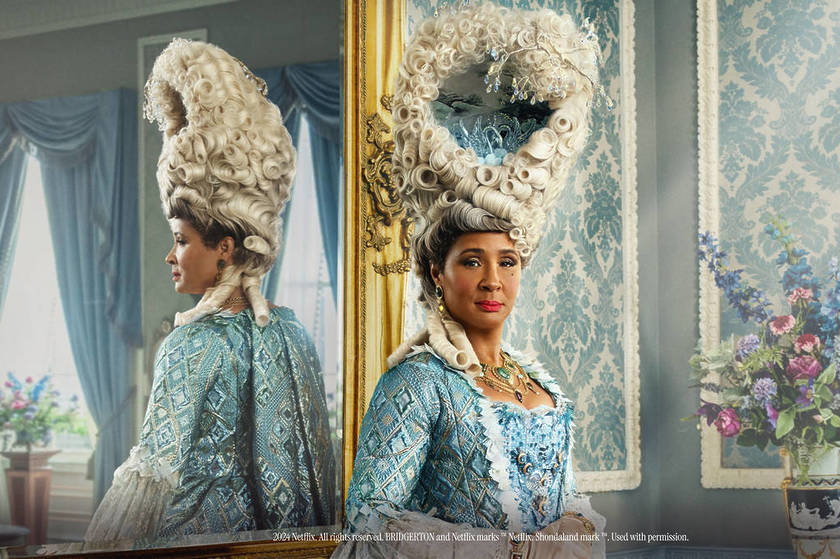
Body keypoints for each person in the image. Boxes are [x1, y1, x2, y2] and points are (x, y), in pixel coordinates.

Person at [336, 4, 605, 558]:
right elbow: (371, 520)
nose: (492, 280)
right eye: (471, 260)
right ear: (437, 272)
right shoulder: (417, 384)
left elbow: (569, 496)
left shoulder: (538, 384)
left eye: (506, 262)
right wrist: (502, 552)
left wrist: (576, 524)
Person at [85, 39, 336, 541]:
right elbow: (314, 470)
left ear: (224, 246)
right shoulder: (289, 330)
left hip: (195, 543)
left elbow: (151, 474)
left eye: (180, 241)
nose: (170, 256)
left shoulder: (191, 343)